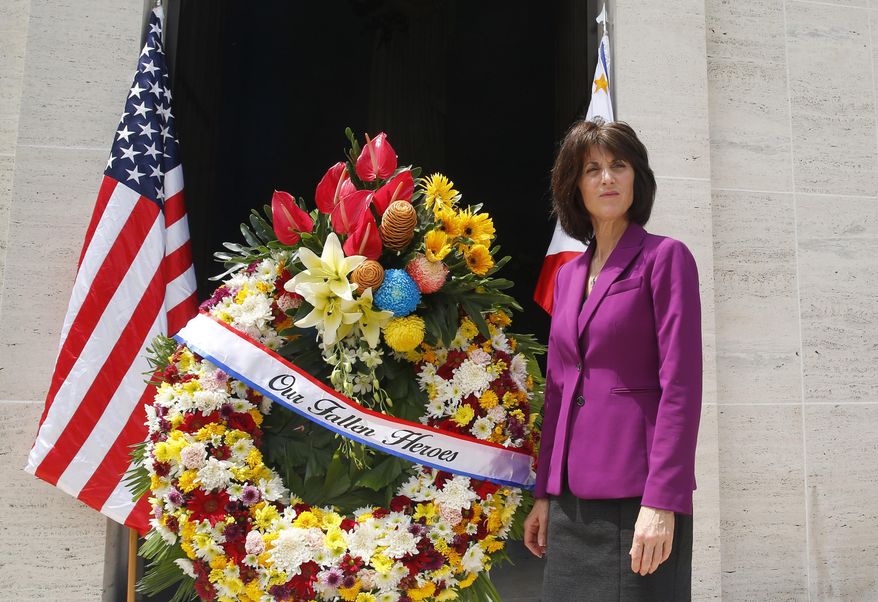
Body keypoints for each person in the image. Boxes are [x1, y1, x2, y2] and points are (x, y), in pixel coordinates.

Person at [524, 118, 702, 601]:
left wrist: (663, 501)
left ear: (635, 178)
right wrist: (544, 493)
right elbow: (559, 391)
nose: (607, 178)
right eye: (592, 169)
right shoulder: (567, 277)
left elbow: (681, 387)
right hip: (570, 502)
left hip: (637, 497)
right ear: (574, 186)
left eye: (618, 166)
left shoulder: (666, 259)